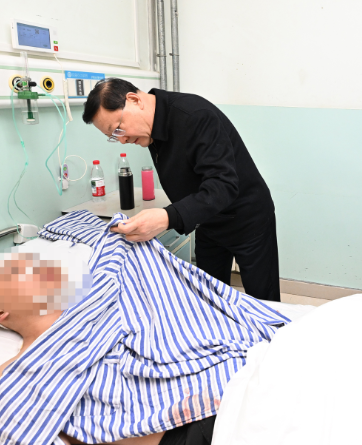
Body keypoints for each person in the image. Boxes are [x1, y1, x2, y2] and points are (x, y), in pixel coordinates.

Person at [0, 211, 287, 445]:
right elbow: (18, 438)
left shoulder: (100, 295)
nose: (33, 268)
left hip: (251, 371)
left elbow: (119, 247)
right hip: (202, 425)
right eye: (14, 274)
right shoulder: (16, 372)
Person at [82, 78, 280, 301]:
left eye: (118, 130)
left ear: (134, 100)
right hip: (208, 220)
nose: (123, 140)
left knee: (264, 302)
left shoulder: (195, 115)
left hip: (248, 218)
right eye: (113, 137)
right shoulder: (150, 131)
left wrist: (166, 217)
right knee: (208, 298)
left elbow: (223, 185)